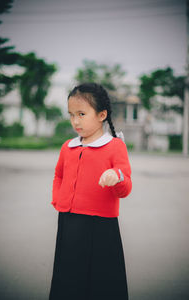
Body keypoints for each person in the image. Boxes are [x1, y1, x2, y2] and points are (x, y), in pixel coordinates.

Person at [48, 82, 132, 300]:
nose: (75, 121)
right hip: (68, 222)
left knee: (101, 283)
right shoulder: (68, 147)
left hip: (101, 227)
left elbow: (126, 188)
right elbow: (58, 176)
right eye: (71, 114)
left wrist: (117, 177)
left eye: (82, 114)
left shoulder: (115, 146)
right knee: (68, 279)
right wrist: (58, 200)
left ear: (102, 114)